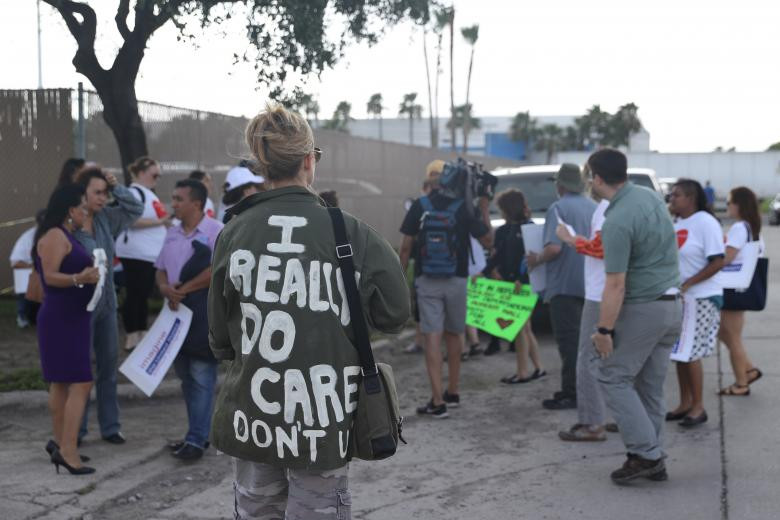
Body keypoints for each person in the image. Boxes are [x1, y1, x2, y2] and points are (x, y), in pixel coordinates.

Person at [208, 103, 409, 519]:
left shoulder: (234, 231)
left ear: (261, 166)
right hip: (322, 417)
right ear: (308, 161)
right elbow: (395, 312)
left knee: (257, 510)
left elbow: (221, 338)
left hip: (253, 413)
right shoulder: (350, 231)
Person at [588, 148, 681, 484]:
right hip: (672, 304)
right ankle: (651, 457)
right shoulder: (649, 196)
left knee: (612, 376)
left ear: (597, 178)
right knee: (649, 388)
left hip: (645, 308)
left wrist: (603, 330)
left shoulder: (617, 221)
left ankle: (647, 455)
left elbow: (615, 284)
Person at [399, 160, 492, 418]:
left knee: (432, 336)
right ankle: (453, 391)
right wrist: (484, 208)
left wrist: (400, 279)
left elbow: (405, 247)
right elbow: (488, 240)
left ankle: (437, 400)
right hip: (457, 279)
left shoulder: (420, 205)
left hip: (427, 280)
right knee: (454, 334)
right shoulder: (464, 207)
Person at [74, 167, 144, 445]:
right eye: (98, 192)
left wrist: (117, 188)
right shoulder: (69, 225)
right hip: (79, 309)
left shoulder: (106, 218)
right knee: (79, 371)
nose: (103, 198)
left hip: (107, 305)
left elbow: (135, 209)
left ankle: (110, 427)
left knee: (108, 368)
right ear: (82, 194)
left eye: (106, 193)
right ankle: (75, 431)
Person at [155, 179, 223, 461]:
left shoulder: (216, 231)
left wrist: (183, 289)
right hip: (175, 312)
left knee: (202, 376)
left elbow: (218, 269)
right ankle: (196, 434)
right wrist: (165, 288)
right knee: (185, 377)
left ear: (196, 203)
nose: (173, 204)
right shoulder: (172, 232)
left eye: (178, 199)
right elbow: (160, 268)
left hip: (203, 312)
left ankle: (196, 440)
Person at [34, 184, 100, 475]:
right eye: (83, 208)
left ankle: (62, 444)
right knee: (81, 382)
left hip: (73, 317)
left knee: (61, 382)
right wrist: (80, 278)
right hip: (61, 318)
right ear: (70, 210)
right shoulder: (54, 235)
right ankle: (68, 451)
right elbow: (49, 277)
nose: (86, 212)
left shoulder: (66, 235)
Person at [527, 163, 596, 410]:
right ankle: (589, 390)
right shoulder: (595, 207)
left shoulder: (558, 208)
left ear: (561, 185)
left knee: (569, 343)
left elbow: (554, 248)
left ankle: (572, 393)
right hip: (591, 285)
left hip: (564, 286)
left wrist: (536, 259)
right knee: (589, 342)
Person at [556, 166, 613, 441]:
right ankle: (618, 417)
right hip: (613, 290)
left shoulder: (605, 208)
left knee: (588, 358)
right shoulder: (610, 206)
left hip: (600, 292)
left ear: (598, 179)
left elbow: (600, 248)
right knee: (611, 357)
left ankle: (592, 424)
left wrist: (570, 239)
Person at [666, 179, 724, 427]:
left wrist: (689, 283)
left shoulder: (705, 222)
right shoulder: (678, 222)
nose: (671, 198)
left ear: (691, 198)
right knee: (679, 353)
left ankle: (698, 407)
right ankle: (685, 403)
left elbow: (718, 261)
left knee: (689, 352)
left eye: (676, 195)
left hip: (702, 296)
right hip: (683, 297)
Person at [484, 188, 545, 382]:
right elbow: (498, 255)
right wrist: (485, 271)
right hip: (511, 284)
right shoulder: (505, 230)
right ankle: (538, 368)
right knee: (525, 327)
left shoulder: (530, 229)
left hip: (524, 285)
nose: (500, 213)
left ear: (509, 209)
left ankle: (522, 372)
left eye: (502, 209)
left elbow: (533, 258)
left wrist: (523, 278)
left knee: (519, 327)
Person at [115, 156, 171, 352]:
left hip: (148, 253)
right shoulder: (134, 192)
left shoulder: (147, 194)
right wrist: (160, 222)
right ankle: (132, 334)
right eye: (154, 175)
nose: (157, 179)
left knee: (142, 294)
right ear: (140, 173)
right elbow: (130, 220)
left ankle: (141, 331)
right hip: (136, 252)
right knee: (135, 294)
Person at [718, 187, 766, 395]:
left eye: (729, 202)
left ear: (739, 204)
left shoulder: (739, 228)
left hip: (733, 287)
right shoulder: (753, 228)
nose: (727, 206)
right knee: (725, 333)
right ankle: (748, 370)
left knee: (732, 336)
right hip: (742, 286)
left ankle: (741, 384)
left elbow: (726, 258)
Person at [9, 211, 44, 328]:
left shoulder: (54, 235)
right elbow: (15, 262)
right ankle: (22, 316)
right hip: (28, 274)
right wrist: (34, 267)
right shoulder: (27, 237)